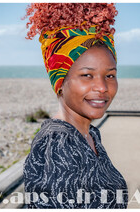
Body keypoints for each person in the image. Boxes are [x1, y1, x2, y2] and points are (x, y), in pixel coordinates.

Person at [23, 3, 128, 208]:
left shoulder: (89, 134)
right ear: (60, 82)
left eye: (110, 75)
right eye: (87, 75)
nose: (102, 87)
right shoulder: (56, 146)